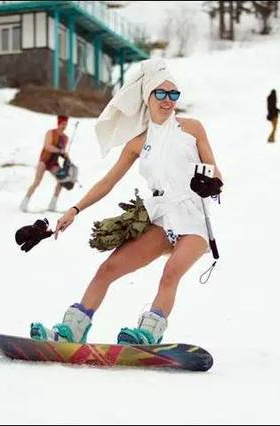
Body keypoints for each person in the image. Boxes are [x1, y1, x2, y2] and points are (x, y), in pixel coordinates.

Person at [30, 59, 223, 345]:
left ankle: (147, 335)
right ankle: (70, 331)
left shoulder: (193, 129)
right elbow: (108, 182)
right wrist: (74, 209)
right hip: (159, 218)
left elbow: (216, 173)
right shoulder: (137, 142)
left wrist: (212, 184)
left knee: (170, 274)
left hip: (194, 221)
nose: (168, 101)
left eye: (173, 94)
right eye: (161, 93)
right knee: (108, 269)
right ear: (148, 96)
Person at [20, 115, 70, 212]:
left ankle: (52, 204)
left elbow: (62, 152)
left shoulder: (65, 138)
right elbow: (47, 146)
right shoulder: (50, 133)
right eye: (63, 124)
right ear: (59, 123)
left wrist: (66, 156)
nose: (64, 126)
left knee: (62, 180)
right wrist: (60, 151)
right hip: (44, 160)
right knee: (37, 182)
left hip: (54, 163)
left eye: (66, 124)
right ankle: (24, 203)